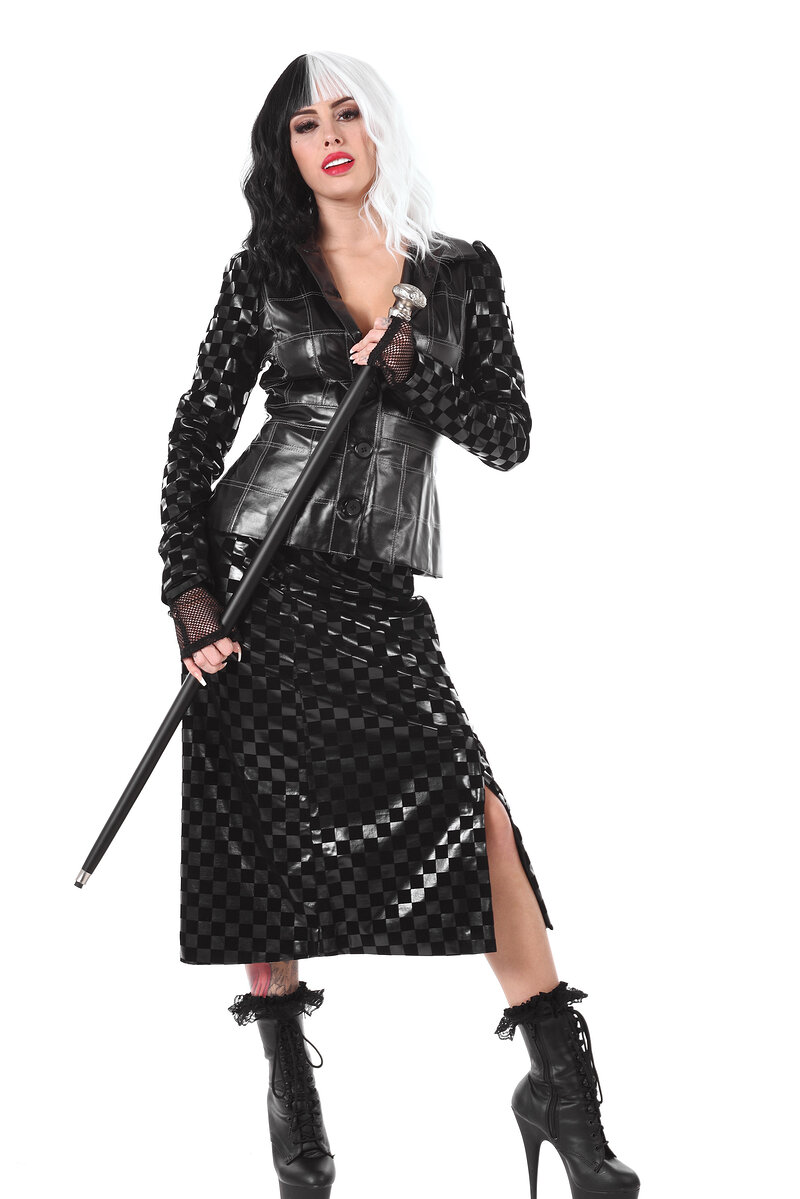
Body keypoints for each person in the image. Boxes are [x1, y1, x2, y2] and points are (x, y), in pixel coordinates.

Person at [157, 50, 640, 1199]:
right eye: (303, 124)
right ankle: (296, 1112)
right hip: (254, 576)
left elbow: (508, 436)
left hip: (373, 593)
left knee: (474, 809)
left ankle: (561, 1096)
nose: (327, 138)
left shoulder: (458, 270)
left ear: (379, 127)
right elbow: (195, 433)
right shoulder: (264, 270)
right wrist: (190, 598)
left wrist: (415, 368)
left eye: (345, 115)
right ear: (282, 149)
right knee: (256, 837)